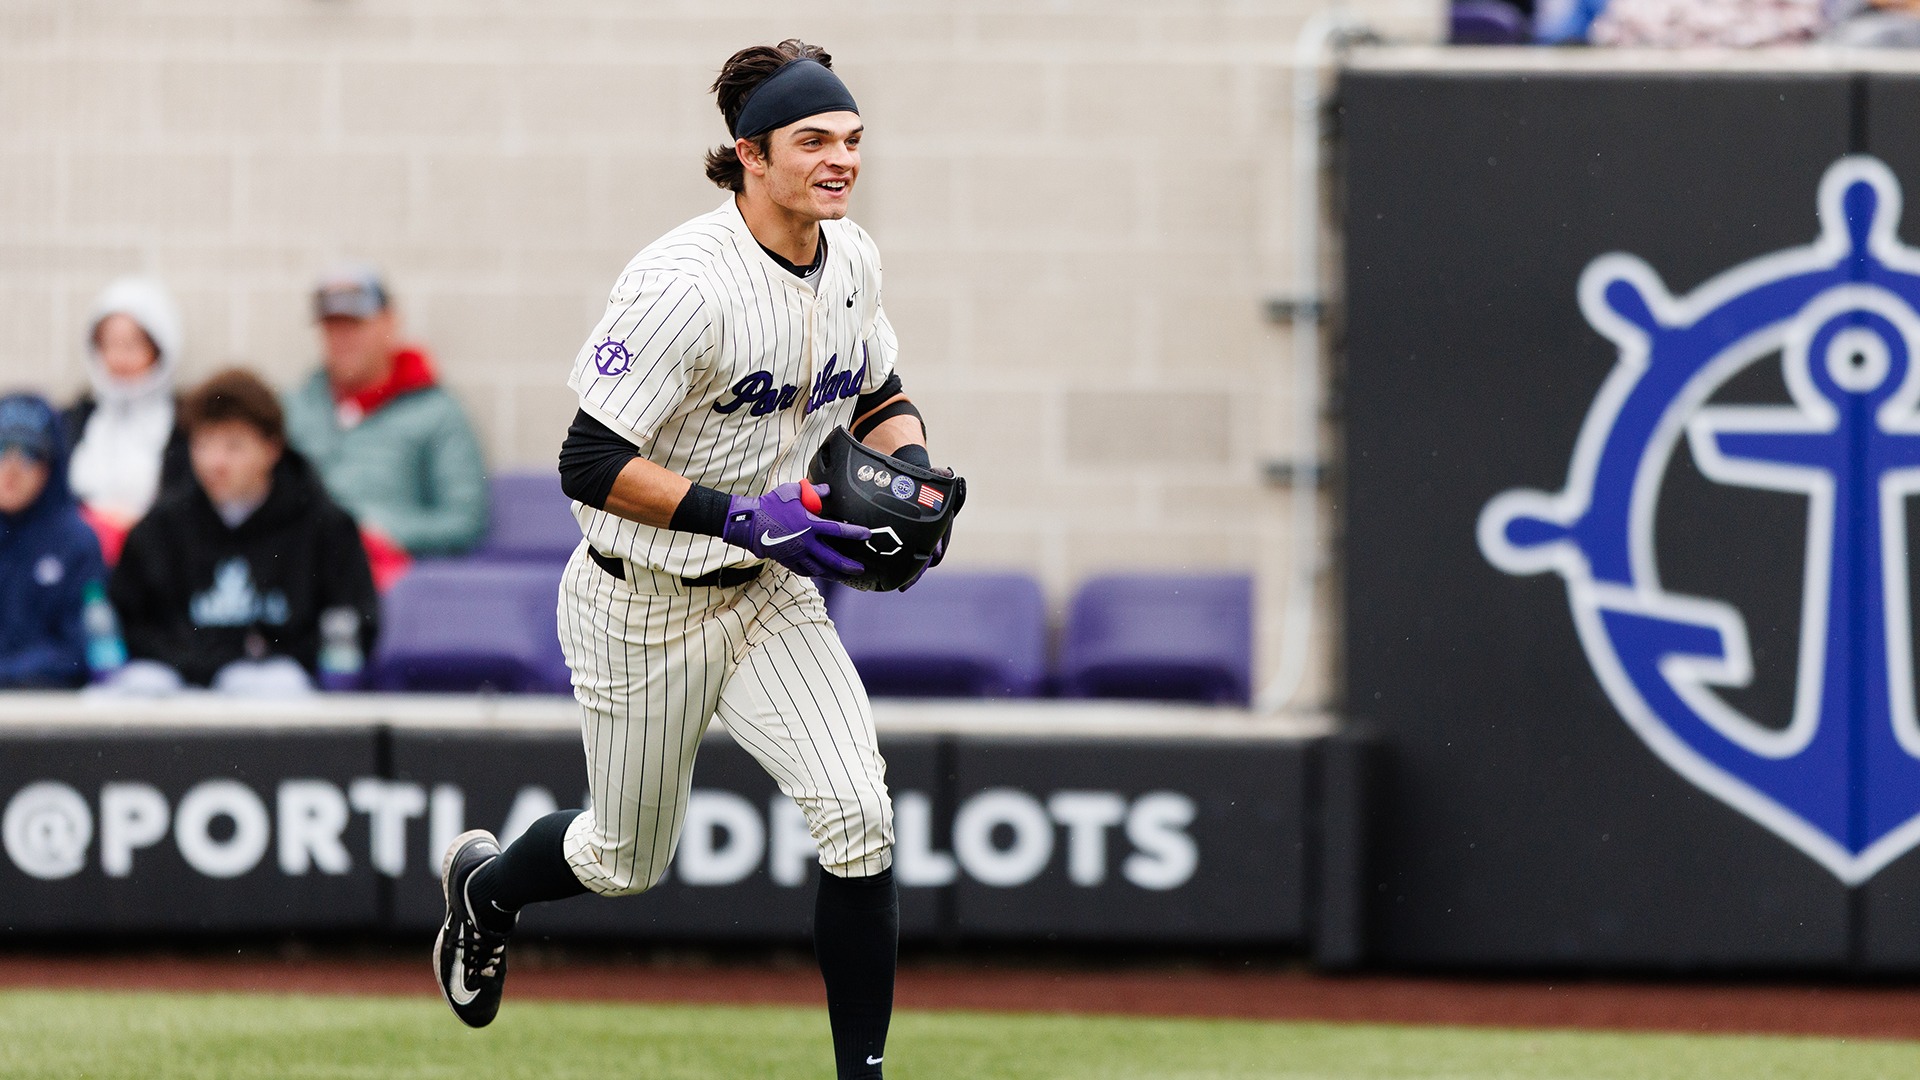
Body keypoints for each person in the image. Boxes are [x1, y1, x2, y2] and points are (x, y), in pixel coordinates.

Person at [432, 40, 947, 1080]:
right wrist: (741, 516)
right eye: (814, 141)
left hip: (766, 595)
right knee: (622, 864)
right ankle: (487, 894)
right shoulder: (683, 282)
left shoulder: (853, 259)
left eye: (851, 140)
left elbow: (881, 393)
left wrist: (919, 469)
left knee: (858, 814)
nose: (840, 160)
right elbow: (585, 460)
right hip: (641, 601)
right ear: (751, 154)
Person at [109, 369, 378, 694]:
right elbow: (128, 623)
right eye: (203, 444)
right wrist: (197, 663)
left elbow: (351, 623)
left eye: (233, 447)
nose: (214, 463)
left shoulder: (324, 526)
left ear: (271, 449)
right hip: (182, 688)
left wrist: (273, 656)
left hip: (285, 691)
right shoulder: (161, 527)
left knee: (278, 685)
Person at [282, 264, 488, 567]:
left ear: (389, 324)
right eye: (332, 326)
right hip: (301, 573)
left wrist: (382, 531)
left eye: (355, 323)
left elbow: (465, 520)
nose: (342, 337)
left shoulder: (437, 411)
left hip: (394, 579)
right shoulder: (294, 407)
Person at [63, 277, 192, 561]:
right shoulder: (79, 417)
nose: (119, 358)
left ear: (158, 348)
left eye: (132, 345)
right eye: (109, 345)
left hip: (153, 561)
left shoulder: (183, 424)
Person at [0, 393, 108, 689]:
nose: (11, 468)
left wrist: (9, 674)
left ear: (51, 465)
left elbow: (85, 651)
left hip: (48, 709)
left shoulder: (77, 542)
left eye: (29, 453)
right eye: (1, 448)